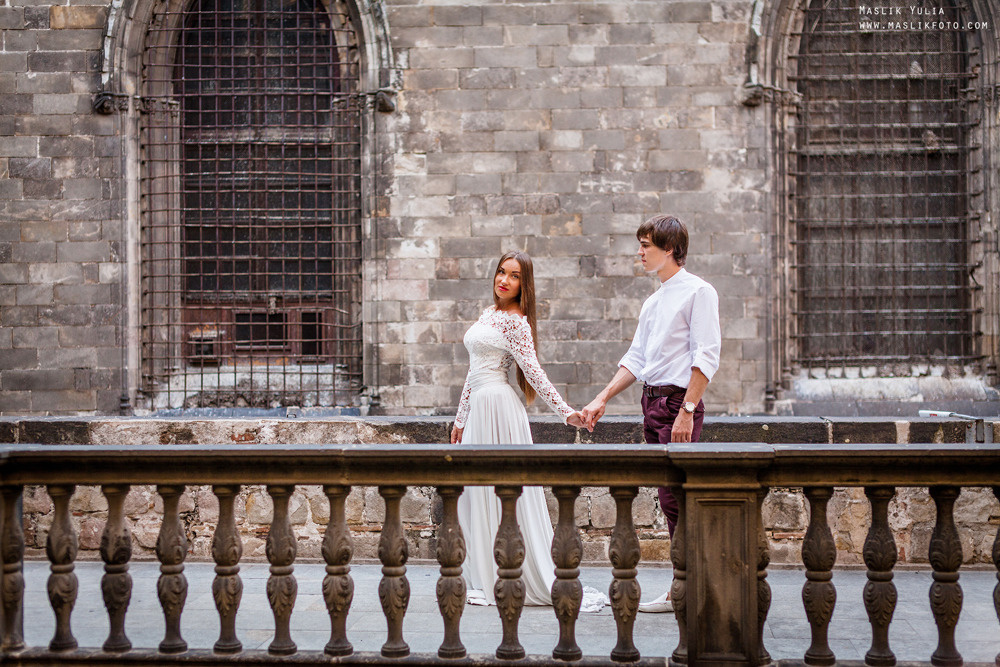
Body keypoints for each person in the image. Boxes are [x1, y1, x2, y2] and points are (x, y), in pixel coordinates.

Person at [451, 250, 606, 612]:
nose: (504, 280)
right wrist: (460, 419)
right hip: (479, 411)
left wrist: (566, 413)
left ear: (525, 284)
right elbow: (473, 373)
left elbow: (534, 374)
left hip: (500, 410)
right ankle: (485, 575)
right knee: (476, 492)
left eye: (514, 276)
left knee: (504, 492)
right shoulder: (489, 314)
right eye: (501, 272)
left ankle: (510, 574)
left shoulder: (517, 323)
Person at [582, 215, 721, 613]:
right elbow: (637, 359)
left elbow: (705, 355)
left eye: (647, 246)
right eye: (640, 245)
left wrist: (687, 412)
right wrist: (601, 398)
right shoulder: (654, 300)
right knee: (670, 499)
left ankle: (691, 588)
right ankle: (687, 585)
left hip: (679, 403)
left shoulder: (699, 292)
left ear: (671, 249)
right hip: (652, 402)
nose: (639, 253)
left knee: (678, 497)